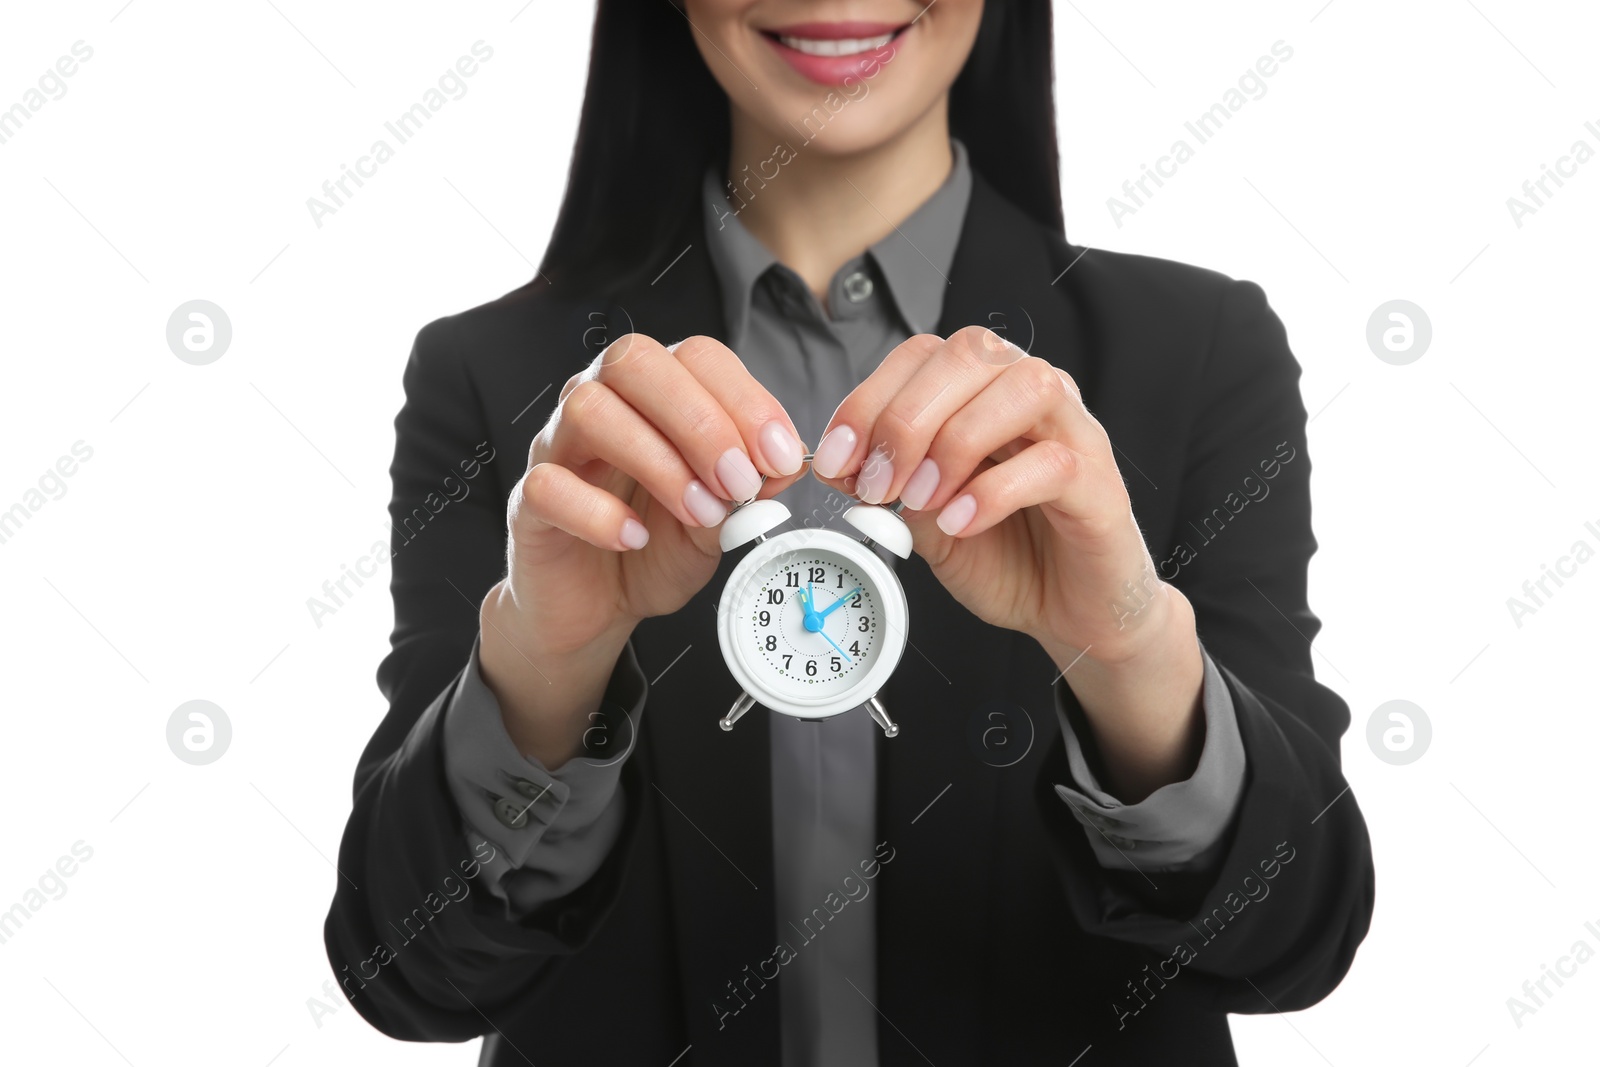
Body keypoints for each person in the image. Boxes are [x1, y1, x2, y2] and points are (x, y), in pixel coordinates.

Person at [324, 2, 1375, 1064]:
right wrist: (544, 669)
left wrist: (1129, 645)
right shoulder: (496, 380)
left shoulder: (1194, 351)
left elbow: (1294, 939)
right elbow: (408, 976)